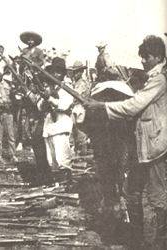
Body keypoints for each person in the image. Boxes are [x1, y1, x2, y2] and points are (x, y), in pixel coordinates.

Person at [84, 34, 167, 250]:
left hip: (156, 147)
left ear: (157, 57)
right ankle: (136, 238)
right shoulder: (150, 78)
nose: (142, 61)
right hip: (143, 147)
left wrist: (101, 108)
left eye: (146, 57)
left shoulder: (158, 80)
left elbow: (132, 107)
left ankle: (160, 241)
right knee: (132, 192)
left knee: (157, 196)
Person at [38, 58, 74, 178]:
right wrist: (44, 99)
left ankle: (65, 186)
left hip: (61, 126)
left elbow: (64, 105)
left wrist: (50, 99)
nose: (56, 74)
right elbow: (39, 107)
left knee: (62, 160)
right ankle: (56, 185)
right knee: (51, 161)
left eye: (59, 72)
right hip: (49, 128)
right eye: (54, 71)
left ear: (63, 73)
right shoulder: (50, 88)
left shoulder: (67, 88)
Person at [68, 60, 91, 156]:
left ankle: (82, 151)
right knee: (75, 130)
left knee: (79, 130)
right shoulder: (77, 82)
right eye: (74, 72)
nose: (75, 74)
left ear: (81, 72)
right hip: (76, 107)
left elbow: (76, 96)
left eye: (77, 72)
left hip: (80, 107)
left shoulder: (82, 83)